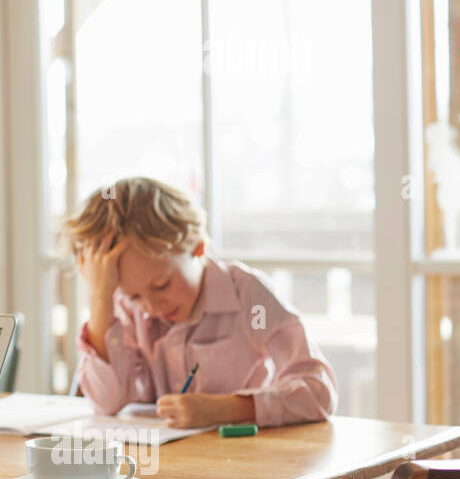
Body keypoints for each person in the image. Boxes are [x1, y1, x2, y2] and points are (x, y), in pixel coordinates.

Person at [60, 177, 337, 428]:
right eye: (133, 295)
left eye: (162, 285)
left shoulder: (251, 298)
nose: (152, 306)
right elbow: (106, 403)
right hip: (172, 469)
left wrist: (228, 409)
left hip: (248, 465)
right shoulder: (126, 310)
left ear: (198, 246)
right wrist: (100, 298)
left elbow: (318, 391)